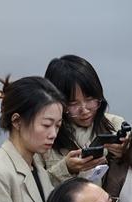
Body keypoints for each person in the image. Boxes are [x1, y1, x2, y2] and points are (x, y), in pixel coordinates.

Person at [43, 55, 127, 185]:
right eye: (73, 104)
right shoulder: (44, 138)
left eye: (90, 99)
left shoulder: (115, 125)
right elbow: (35, 189)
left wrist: (127, 153)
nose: (85, 110)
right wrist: (66, 168)